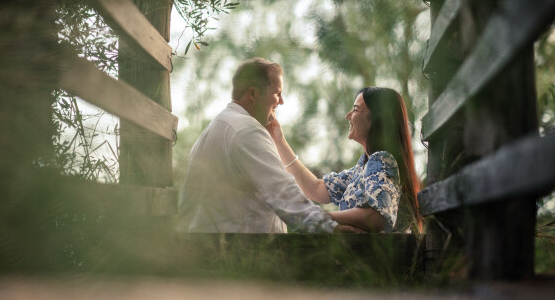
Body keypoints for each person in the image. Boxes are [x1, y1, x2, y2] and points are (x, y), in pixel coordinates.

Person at [177, 57, 355, 234]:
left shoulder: (218, 126)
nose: (281, 101)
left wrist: (279, 141)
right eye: (277, 93)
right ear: (253, 94)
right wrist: (331, 229)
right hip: (236, 249)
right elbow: (282, 193)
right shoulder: (246, 129)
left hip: (204, 244)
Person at [267, 87, 423, 233]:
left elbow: (376, 216)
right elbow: (317, 189)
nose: (348, 116)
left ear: (376, 119)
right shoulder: (363, 168)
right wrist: (279, 140)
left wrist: (320, 217)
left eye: (355, 109)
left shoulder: (382, 160)